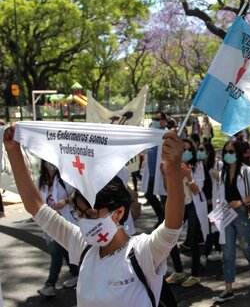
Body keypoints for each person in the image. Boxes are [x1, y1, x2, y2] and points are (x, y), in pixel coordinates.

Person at [4, 128, 185, 307]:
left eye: (91, 214)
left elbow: (171, 228)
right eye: (79, 214)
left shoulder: (142, 252)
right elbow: (35, 207)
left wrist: (173, 172)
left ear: (119, 213)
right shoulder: (82, 247)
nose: (83, 221)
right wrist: (13, 151)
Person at [213, 140, 250, 303]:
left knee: (246, 247)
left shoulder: (247, 171)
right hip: (227, 214)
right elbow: (220, 196)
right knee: (227, 252)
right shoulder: (222, 173)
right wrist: (216, 213)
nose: (228, 154)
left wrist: (241, 202)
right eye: (226, 151)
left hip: (243, 214)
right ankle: (228, 289)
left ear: (238, 153)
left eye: (232, 151)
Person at [166, 139, 206, 287]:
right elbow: (167, 188)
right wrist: (166, 174)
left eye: (189, 150)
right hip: (179, 204)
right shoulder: (174, 165)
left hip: (193, 206)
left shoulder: (198, 166)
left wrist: (188, 176)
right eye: (184, 150)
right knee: (169, 236)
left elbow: (196, 190)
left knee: (193, 239)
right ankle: (178, 271)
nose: (187, 152)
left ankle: (195, 275)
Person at [36, 160, 78, 296]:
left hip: (66, 221)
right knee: (65, 250)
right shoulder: (41, 181)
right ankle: (76, 273)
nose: (50, 163)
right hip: (50, 222)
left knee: (56, 251)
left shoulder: (65, 177)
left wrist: (65, 201)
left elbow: (77, 194)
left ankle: (50, 284)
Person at [199, 142, 223, 263]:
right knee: (210, 227)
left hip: (215, 200)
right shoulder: (200, 164)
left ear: (208, 152)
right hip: (204, 200)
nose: (200, 152)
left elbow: (222, 179)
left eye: (202, 149)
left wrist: (215, 173)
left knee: (213, 227)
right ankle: (214, 250)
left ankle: (210, 252)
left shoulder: (217, 164)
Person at [144, 111, 168, 227]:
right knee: (149, 195)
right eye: (154, 118)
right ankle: (161, 216)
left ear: (164, 121)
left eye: (158, 119)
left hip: (163, 172)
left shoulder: (167, 135)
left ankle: (165, 222)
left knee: (164, 198)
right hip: (152, 172)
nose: (155, 121)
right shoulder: (152, 133)